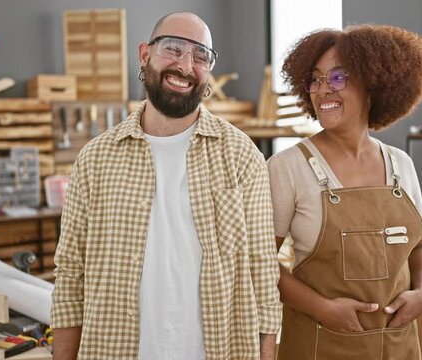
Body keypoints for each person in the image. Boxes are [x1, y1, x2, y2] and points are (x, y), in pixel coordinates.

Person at [51, 12, 281, 360]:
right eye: (173, 49)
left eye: (201, 56)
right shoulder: (95, 160)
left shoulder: (241, 156)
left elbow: (263, 270)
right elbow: (70, 273)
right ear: (145, 55)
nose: (186, 66)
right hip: (114, 350)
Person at [268, 25, 422, 359]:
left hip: (398, 346)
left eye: (338, 77)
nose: (322, 90)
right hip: (320, 343)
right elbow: (260, 263)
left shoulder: (400, 164)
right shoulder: (288, 167)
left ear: (373, 85)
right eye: (315, 79)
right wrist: (321, 308)